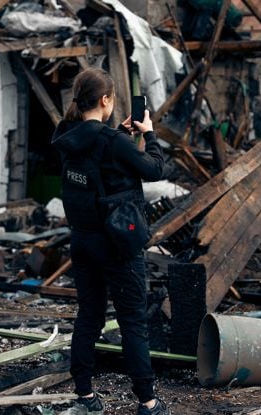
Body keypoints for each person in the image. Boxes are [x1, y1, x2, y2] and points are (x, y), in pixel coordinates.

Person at [51, 67, 170, 415]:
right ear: (106, 100)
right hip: (118, 244)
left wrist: (118, 133)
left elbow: (95, 160)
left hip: (83, 241)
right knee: (133, 321)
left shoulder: (66, 135)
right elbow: (155, 170)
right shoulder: (113, 143)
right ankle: (147, 401)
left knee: (89, 316)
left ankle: (85, 395)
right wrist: (149, 135)